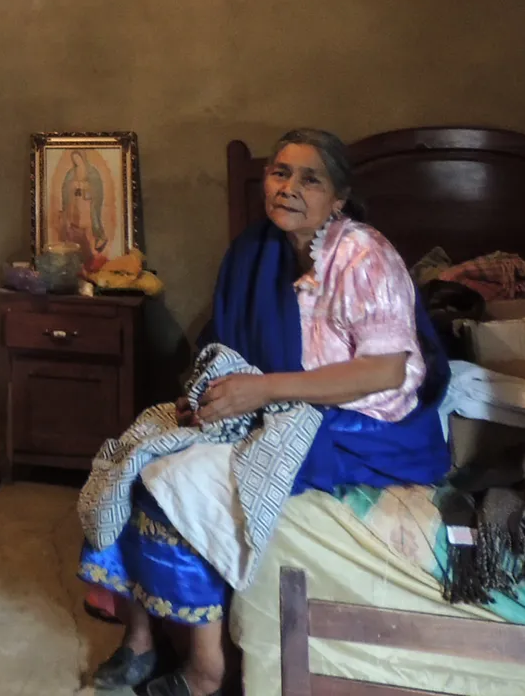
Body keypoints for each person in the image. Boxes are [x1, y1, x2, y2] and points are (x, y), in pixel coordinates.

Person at [80, 128, 450, 696]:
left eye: (310, 178)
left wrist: (263, 393)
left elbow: (387, 372)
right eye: (280, 173)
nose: (289, 188)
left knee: (181, 479)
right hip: (276, 404)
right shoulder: (253, 251)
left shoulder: (362, 254)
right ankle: (142, 639)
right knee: (141, 448)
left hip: (361, 423)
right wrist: (208, 392)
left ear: (339, 197)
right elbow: (226, 345)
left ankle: (206, 673)